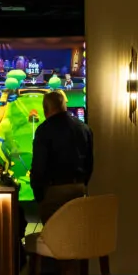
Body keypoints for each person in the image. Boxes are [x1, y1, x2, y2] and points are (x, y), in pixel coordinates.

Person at [31, 90, 94, 223]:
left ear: (46, 110)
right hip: (78, 189)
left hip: (53, 192)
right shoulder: (84, 128)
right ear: (64, 106)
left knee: (53, 233)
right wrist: (82, 185)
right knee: (75, 231)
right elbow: (89, 163)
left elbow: (38, 167)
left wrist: (39, 196)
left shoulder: (44, 130)